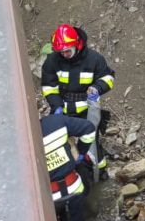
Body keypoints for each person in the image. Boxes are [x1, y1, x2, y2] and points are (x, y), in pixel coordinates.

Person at [41, 24, 115, 172]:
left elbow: (108, 77)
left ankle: (100, 172)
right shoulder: (52, 61)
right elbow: (49, 86)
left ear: (77, 44)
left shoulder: (94, 59)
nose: (64, 54)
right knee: (57, 141)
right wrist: (56, 106)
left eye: (67, 51)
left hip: (87, 110)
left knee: (91, 142)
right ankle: (64, 171)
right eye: (61, 51)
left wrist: (97, 88)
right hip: (63, 109)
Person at [40, 113, 97, 221]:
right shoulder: (56, 122)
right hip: (73, 189)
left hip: (47, 198)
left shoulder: (21, 140)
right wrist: (81, 153)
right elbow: (89, 129)